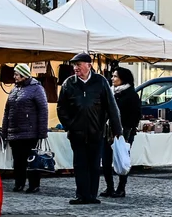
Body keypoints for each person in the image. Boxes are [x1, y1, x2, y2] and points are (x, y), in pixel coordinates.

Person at [57, 53, 122, 205]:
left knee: (93, 164)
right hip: (76, 132)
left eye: (78, 65)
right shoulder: (69, 83)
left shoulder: (100, 82)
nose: (75, 68)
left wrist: (117, 129)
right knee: (80, 164)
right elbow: (61, 108)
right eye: (74, 65)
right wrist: (70, 125)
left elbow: (111, 107)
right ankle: (81, 195)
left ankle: (92, 195)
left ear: (89, 65)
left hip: (96, 132)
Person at [2, 64, 49, 193]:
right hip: (14, 131)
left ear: (24, 75)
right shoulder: (14, 90)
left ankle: (34, 185)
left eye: (16, 74)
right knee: (18, 160)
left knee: (32, 158)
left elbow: (43, 110)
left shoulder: (36, 88)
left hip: (30, 132)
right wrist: (5, 130)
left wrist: (42, 132)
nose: (14, 77)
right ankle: (19, 183)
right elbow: (7, 111)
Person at [102, 67, 142, 199]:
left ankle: (121, 188)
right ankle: (109, 187)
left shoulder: (131, 94)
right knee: (106, 160)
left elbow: (135, 116)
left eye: (115, 77)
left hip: (124, 132)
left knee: (122, 159)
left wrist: (126, 132)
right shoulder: (110, 93)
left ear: (123, 79)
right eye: (112, 76)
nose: (112, 79)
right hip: (108, 131)